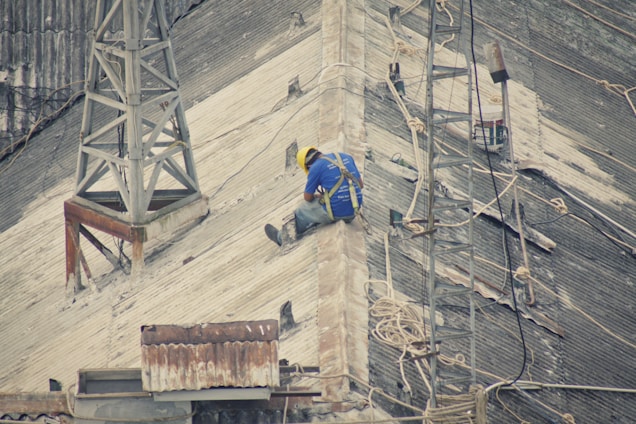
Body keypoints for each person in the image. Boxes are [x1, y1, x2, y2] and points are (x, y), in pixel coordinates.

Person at [265, 146, 364, 246]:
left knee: (303, 210)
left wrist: (318, 196)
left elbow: (307, 197)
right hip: (354, 210)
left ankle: (281, 238)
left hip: (339, 213)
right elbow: (360, 185)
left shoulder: (316, 167)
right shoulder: (346, 156)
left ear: (307, 165)